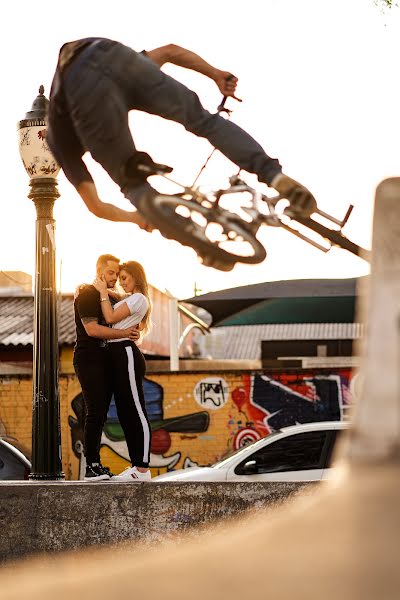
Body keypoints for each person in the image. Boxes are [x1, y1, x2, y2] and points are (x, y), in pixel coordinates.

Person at [47, 37, 317, 257]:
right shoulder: (108, 60)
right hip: (115, 53)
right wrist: (215, 74)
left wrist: (136, 217)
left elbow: (95, 206)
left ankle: (201, 243)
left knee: (133, 184)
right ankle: (274, 176)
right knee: (203, 121)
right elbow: (170, 51)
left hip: (81, 86)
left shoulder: (59, 139)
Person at [74, 254, 140, 482]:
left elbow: (124, 299)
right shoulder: (87, 294)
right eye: (110, 273)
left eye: (116, 274)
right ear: (100, 270)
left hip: (106, 359)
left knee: (102, 413)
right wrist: (125, 333)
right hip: (88, 358)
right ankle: (91, 466)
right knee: (94, 412)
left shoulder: (106, 297)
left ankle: (96, 464)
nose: (114, 278)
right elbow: (92, 329)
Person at [93, 260, 152, 482]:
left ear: (137, 277)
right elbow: (116, 301)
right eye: (119, 278)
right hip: (116, 354)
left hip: (126, 353)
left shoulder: (138, 299)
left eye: (125, 278)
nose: (121, 282)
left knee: (135, 409)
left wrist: (101, 292)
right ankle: (136, 466)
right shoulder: (129, 299)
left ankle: (143, 469)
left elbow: (109, 318)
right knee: (125, 412)